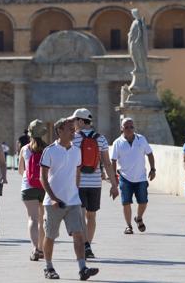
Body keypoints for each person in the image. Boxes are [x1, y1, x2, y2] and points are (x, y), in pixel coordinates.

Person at [41, 118, 99, 281]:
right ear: (59, 130)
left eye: (74, 130)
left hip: (73, 201)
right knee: (50, 236)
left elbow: (77, 172)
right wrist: (52, 198)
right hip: (53, 202)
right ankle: (49, 267)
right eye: (70, 130)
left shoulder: (76, 150)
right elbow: (43, 177)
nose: (74, 132)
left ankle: (82, 268)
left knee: (79, 235)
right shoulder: (50, 150)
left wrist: (76, 191)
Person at [69, 108, 119, 259]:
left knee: (81, 215)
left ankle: (84, 245)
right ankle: (88, 245)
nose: (73, 123)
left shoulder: (74, 139)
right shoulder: (101, 139)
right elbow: (107, 163)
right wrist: (114, 185)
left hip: (79, 183)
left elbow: (70, 162)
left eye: (75, 120)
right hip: (95, 183)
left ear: (81, 121)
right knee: (92, 216)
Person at [111, 117, 156, 235]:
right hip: (125, 177)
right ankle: (128, 226)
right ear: (122, 128)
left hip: (141, 177)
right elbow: (113, 161)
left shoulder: (141, 139)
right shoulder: (117, 143)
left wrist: (153, 169)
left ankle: (139, 217)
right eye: (126, 127)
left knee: (143, 201)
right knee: (126, 202)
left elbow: (150, 154)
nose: (129, 129)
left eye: (131, 127)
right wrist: (113, 179)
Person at [18, 119, 47, 261]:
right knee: (43, 219)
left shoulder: (24, 149)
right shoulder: (48, 148)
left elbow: (20, 170)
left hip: (28, 187)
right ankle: (41, 248)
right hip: (45, 187)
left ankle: (35, 249)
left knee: (32, 219)